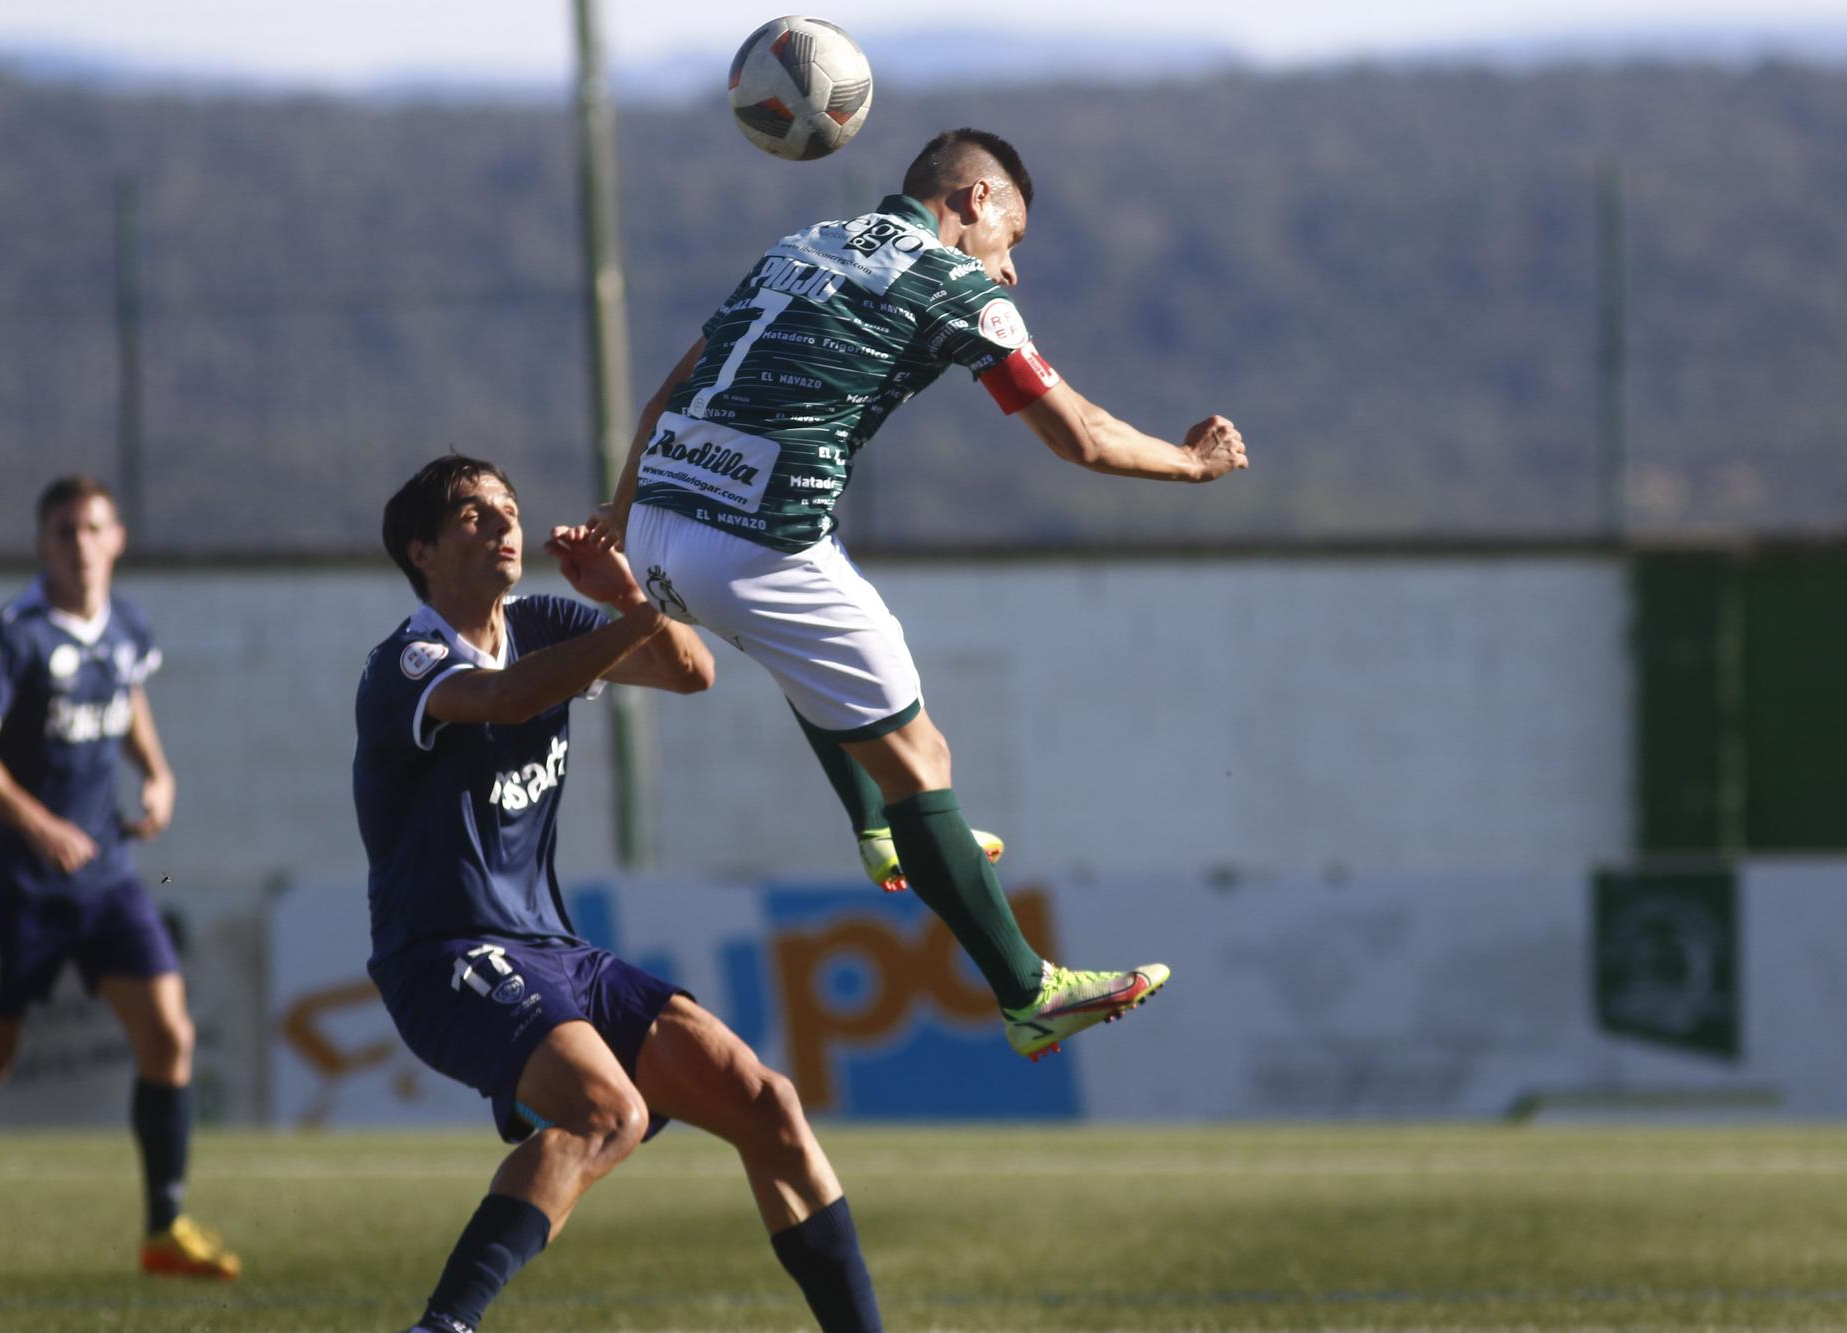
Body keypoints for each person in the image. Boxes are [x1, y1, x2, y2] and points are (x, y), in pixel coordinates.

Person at [604, 127, 1250, 1062]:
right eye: (1014, 240)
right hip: (760, 539)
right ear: (978, 201)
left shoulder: (800, 244)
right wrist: (1193, 464)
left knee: (828, 655)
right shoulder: (958, 287)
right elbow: (1081, 436)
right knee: (922, 754)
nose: (1012, 271)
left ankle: (878, 829)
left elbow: (668, 391)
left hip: (665, 525)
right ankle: (1031, 992)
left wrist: (625, 520)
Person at [358, 455, 883, 1333]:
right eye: (473, 515)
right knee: (610, 1113)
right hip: (444, 954)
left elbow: (691, 672)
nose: (503, 524)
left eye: (510, 508)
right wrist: (628, 615)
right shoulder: (405, 661)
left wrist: (622, 587)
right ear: (422, 550)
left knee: (770, 1105)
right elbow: (509, 697)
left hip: (554, 952)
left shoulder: (548, 620)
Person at [0, 476, 239, 1286]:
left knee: (169, 1035)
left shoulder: (125, 624)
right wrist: (39, 822)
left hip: (108, 875)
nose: (79, 543)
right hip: (18, 883)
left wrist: (155, 772)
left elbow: (128, 695)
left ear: (116, 539)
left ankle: (164, 1226)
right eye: (62, 531)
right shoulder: (15, 634)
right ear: (42, 545)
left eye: (92, 528)